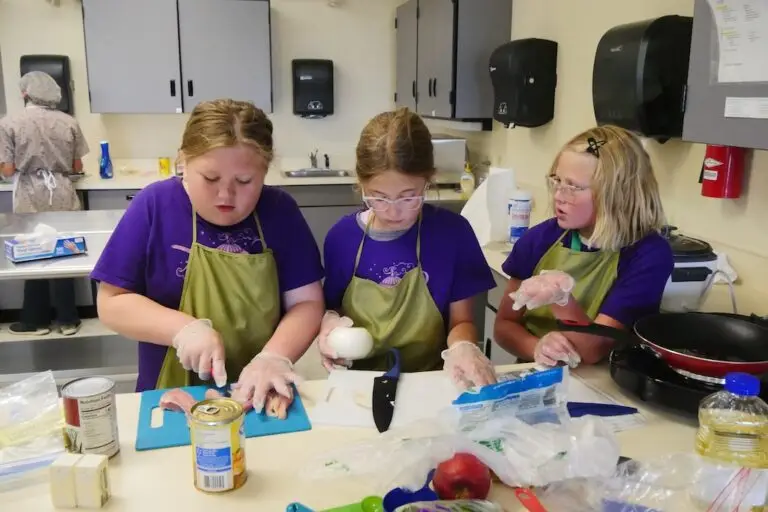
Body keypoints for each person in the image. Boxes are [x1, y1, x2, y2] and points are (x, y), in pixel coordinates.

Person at [91, 99, 325, 416]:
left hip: (260, 397)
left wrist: (275, 357)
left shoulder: (279, 212)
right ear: (184, 161)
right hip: (170, 398)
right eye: (210, 179)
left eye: (244, 182)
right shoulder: (155, 206)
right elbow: (111, 302)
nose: (226, 195)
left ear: (265, 171)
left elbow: (306, 303)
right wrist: (182, 329)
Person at [317, 108, 498, 390]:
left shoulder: (452, 234)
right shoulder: (343, 238)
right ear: (361, 184)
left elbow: (461, 320)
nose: (393, 211)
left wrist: (463, 346)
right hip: (359, 384)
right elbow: (333, 308)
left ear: (430, 179)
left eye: (409, 197)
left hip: (432, 379)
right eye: (377, 198)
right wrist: (329, 327)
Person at [493, 125, 674, 367]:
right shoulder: (539, 240)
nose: (559, 195)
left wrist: (561, 300)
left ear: (615, 194)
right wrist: (536, 347)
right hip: (537, 375)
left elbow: (591, 351)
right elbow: (505, 326)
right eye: (557, 181)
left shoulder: (647, 256)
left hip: (603, 382)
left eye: (574, 187)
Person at [0, 71, 88, 336]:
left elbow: (7, 169)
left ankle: (35, 321)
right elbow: (77, 166)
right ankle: (68, 320)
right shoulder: (68, 122)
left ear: (25, 93)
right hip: (62, 192)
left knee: (32, 255)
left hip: (29, 194)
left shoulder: (9, 122)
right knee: (64, 253)